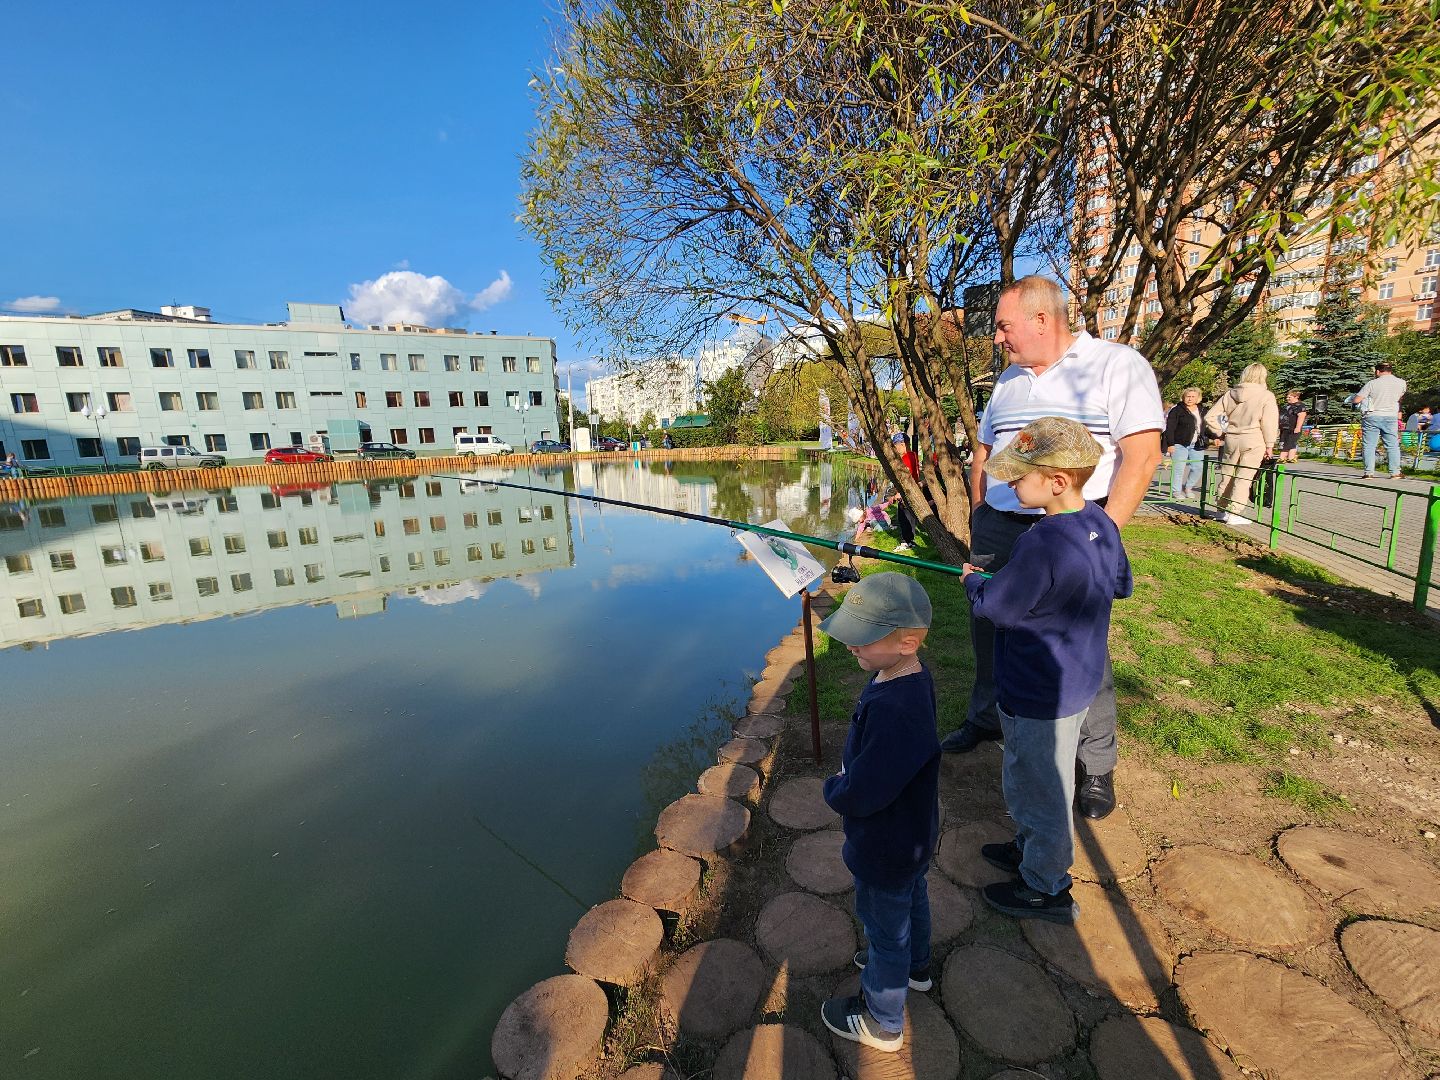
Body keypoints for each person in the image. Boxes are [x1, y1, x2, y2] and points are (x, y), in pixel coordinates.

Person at [940, 276, 1162, 823]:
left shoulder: (1116, 364)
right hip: (1000, 527)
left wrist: (1098, 537)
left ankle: (1096, 762)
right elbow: (985, 455)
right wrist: (979, 520)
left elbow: (1143, 456)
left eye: (1004, 325)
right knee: (989, 627)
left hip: (1071, 530)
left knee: (1079, 645)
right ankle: (988, 716)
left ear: (1042, 320)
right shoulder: (1009, 381)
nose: (998, 338)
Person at [963, 417, 1133, 922]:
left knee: (1039, 786)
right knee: (1033, 775)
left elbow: (997, 609)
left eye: (1019, 475)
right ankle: (1030, 848)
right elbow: (1119, 584)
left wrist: (976, 583)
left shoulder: (1041, 541)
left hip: (1038, 690)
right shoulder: (1102, 524)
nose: (1010, 483)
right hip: (1076, 683)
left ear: (1057, 481)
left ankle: (1046, 885)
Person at [817, 572, 939, 1054]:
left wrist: (836, 790)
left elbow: (866, 791)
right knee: (912, 899)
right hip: (912, 833)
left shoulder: (897, 710)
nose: (852, 648)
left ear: (906, 642)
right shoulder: (905, 677)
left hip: (886, 841)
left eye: (862, 641)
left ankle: (884, 1021)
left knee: (885, 927)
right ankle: (917, 968)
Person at [1204, 364, 1278, 526]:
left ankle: (1221, 510)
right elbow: (1269, 423)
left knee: (1227, 475)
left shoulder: (1230, 394)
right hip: (1254, 439)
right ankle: (1235, 513)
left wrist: (1220, 432)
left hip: (1231, 438)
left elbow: (1210, 416)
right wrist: (1270, 445)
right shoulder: (1266, 396)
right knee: (1244, 477)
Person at [1348, 362, 1407, 478]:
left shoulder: (1372, 383)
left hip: (1372, 416)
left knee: (1369, 445)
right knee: (1392, 445)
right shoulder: (1401, 383)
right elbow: (1399, 397)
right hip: (1391, 416)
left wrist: (1353, 399)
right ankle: (1395, 472)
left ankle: (1369, 473)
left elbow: (1357, 400)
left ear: (1377, 371)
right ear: (1390, 370)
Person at [1163, 387, 1207, 499]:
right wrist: (1170, 444)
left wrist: (1215, 437)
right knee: (1179, 468)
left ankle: (1188, 487)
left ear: (1198, 398)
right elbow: (1170, 428)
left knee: (1198, 467)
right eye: (1188, 396)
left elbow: (1206, 426)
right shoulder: (1177, 410)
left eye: (1193, 397)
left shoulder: (1202, 410)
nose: (1190, 399)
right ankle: (1176, 491)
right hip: (1179, 443)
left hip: (1196, 444)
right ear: (1183, 397)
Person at [891, 432, 918, 552]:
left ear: (902, 445)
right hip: (912, 492)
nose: (896, 450)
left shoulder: (906, 458)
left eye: (896, 447)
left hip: (906, 493)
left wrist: (900, 493)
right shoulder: (913, 455)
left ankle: (905, 541)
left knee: (904, 517)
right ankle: (910, 540)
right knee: (911, 516)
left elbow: (907, 478)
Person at [1278, 390, 1307, 464]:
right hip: (1284, 428)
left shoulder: (1300, 406)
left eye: (1289, 397)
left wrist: (1298, 427)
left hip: (1293, 428)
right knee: (1286, 442)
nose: (1287, 398)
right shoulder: (1287, 406)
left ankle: (1282, 458)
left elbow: (1301, 416)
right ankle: (1291, 457)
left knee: (1290, 442)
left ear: (1296, 397)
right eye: (1287, 397)